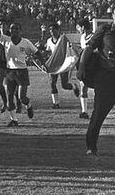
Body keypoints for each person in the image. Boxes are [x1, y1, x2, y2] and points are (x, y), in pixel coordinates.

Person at [77, 8, 115, 156]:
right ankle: (91, 146)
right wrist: (81, 67)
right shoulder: (104, 30)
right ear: (113, 15)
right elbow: (89, 48)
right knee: (99, 113)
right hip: (105, 78)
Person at [0, 23, 44, 127]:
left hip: (22, 72)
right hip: (10, 71)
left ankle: (28, 105)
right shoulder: (5, 39)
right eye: (12, 28)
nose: (14, 30)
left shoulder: (26, 42)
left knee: (21, 97)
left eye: (16, 28)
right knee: (9, 97)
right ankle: (14, 120)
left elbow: (37, 52)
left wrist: (44, 64)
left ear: (20, 31)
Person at [46, 23, 80, 108]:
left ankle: (74, 86)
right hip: (53, 65)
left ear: (58, 30)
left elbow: (69, 49)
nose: (52, 32)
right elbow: (48, 52)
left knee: (64, 85)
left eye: (53, 30)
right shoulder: (49, 41)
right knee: (52, 83)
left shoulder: (63, 39)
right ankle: (55, 103)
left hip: (63, 64)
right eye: (50, 30)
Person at [75, 18, 94, 119]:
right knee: (83, 87)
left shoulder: (94, 36)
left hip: (95, 65)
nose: (77, 29)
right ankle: (84, 111)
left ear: (82, 27)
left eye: (78, 27)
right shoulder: (82, 37)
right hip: (85, 65)